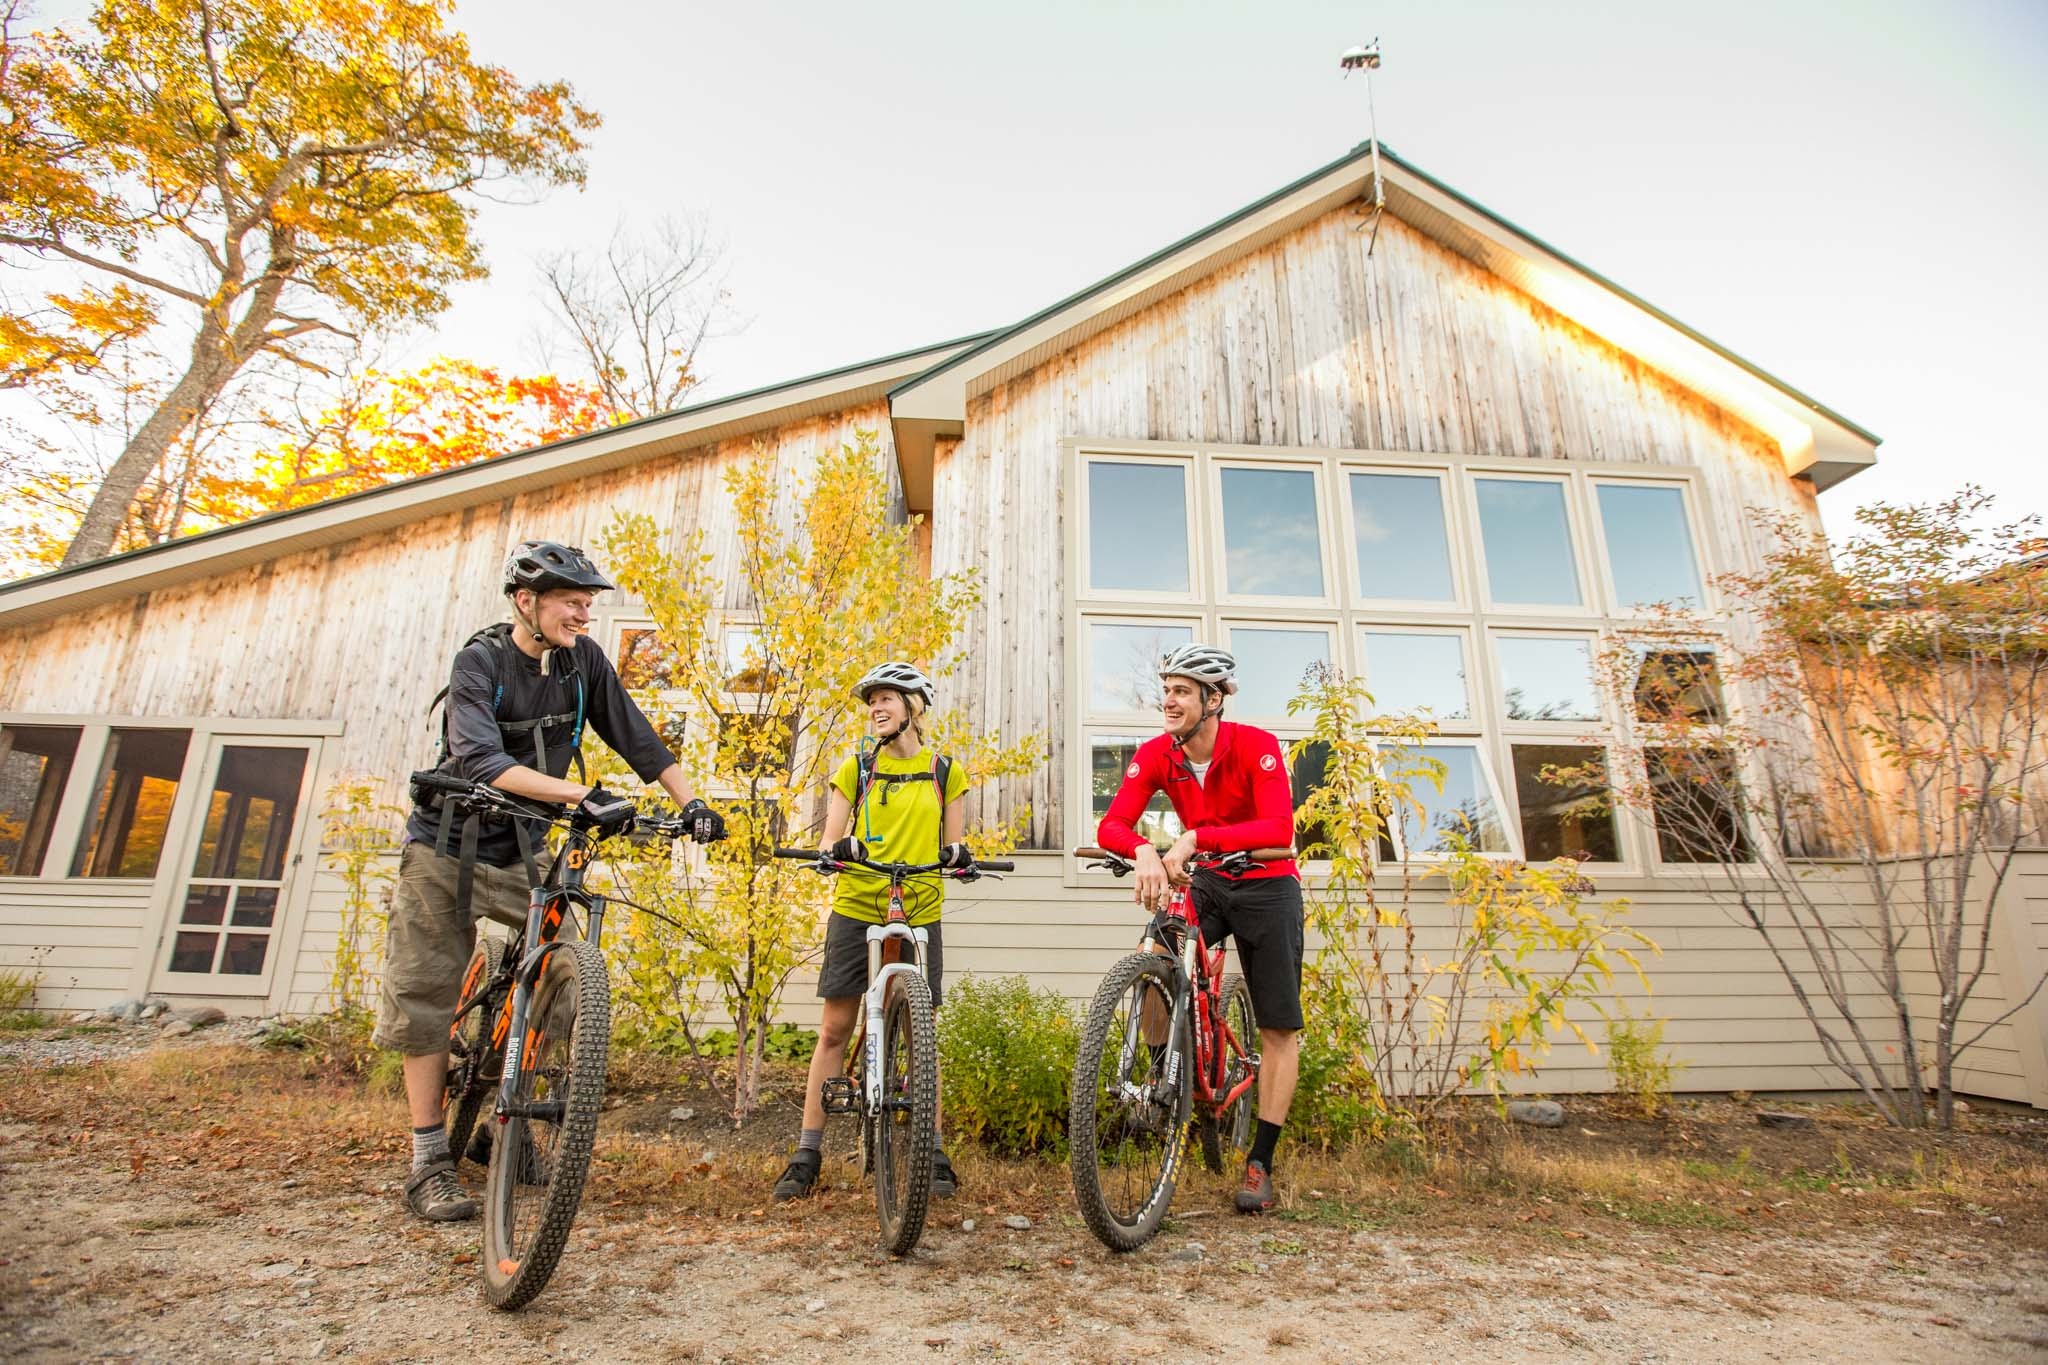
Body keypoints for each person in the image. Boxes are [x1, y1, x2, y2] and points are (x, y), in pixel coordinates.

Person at [376, 539, 725, 1222]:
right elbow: (477, 758)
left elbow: (637, 736)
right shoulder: (482, 662)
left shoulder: (583, 662)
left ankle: (500, 1118)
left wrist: (692, 801)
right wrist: (579, 795)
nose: (584, 612)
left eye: (588, 602)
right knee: (425, 988)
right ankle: (427, 1159)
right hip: (450, 846)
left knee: (563, 971)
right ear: (526, 601)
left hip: (524, 847)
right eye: (572, 600)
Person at [1095, 643, 1303, 1214]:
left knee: (1279, 1027)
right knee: (1159, 953)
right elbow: (1112, 821)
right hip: (1209, 883)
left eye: (1182, 690)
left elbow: (1277, 827)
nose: (1169, 700)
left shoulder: (1256, 746)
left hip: (1268, 883)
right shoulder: (1158, 753)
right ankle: (1165, 1079)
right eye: (1166, 689)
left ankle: (1259, 1160)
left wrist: (1194, 838)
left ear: (1214, 700)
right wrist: (1141, 848)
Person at [771, 661, 972, 1203]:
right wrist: (835, 850)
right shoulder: (856, 767)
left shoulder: (944, 771)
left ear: (915, 706)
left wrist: (960, 857)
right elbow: (830, 840)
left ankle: (930, 1148)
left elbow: (951, 846)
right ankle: (806, 1153)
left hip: (919, 907)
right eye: (872, 701)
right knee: (835, 1028)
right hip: (859, 902)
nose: (876, 708)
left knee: (921, 1033)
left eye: (887, 698)